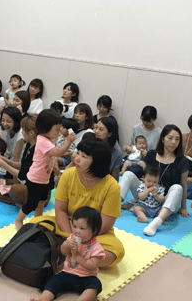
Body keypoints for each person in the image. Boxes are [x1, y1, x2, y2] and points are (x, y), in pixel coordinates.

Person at [31, 137, 124, 267]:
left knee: (116, 252)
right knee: (35, 223)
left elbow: (105, 224)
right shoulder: (68, 175)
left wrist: (82, 238)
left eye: (84, 156)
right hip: (67, 226)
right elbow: (60, 210)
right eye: (78, 153)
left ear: (98, 162)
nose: (77, 159)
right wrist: (71, 237)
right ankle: (79, 256)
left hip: (93, 233)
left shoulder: (112, 186)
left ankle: (61, 251)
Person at [119, 124, 190, 236]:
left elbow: (184, 185)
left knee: (177, 187)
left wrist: (183, 207)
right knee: (128, 174)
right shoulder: (152, 154)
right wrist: (140, 192)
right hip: (145, 197)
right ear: (162, 139)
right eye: (170, 138)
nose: (173, 142)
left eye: (177, 139)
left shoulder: (182, 161)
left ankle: (156, 223)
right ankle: (113, 204)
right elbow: (144, 177)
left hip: (166, 201)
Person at [14, 109, 77, 230]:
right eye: (57, 129)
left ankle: (37, 220)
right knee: (31, 204)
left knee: (42, 201)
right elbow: (57, 152)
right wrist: (68, 141)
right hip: (35, 179)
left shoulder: (49, 139)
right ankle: (18, 220)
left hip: (44, 179)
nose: (59, 132)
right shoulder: (43, 140)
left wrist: (55, 168)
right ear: (45, 129)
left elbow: (50, 156)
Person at [30, 207, 105, 301]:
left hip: (86, 277)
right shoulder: (72, 238)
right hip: (67, 273)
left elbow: (92, 266)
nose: (77, 231)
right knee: (53, 280)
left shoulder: (96, 247)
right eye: (74, 226)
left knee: (95, 285)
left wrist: (77, 256)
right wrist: (66, 244)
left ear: (94, 230)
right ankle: (43, 298)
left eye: (82, 228)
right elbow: (63, 251)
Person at [0, 115, 38, 206]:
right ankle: (18, 200)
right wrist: (6, 161)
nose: (22, 133)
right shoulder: (29, 144)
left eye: (23, 130)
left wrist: (3, 164)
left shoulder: (37, 150)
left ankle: (20, 200)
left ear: (31, 133)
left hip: (33, 188)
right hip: (23, 182)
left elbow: (22, 175)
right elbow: (24, 165)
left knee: (17, 190)